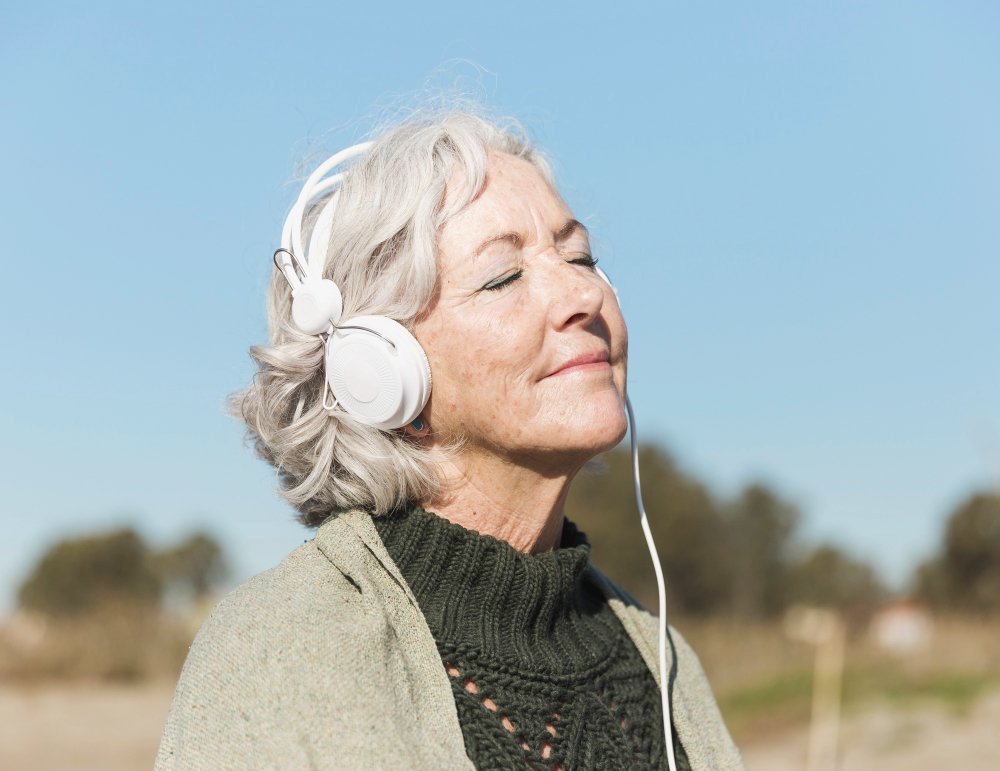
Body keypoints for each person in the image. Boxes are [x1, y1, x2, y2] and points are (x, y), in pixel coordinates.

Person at [155, 110, 743, 770]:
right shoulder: (275, 651)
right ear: (379, 373)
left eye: (581, 255)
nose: (582, 292)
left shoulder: (661, 662)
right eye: (502, 277)